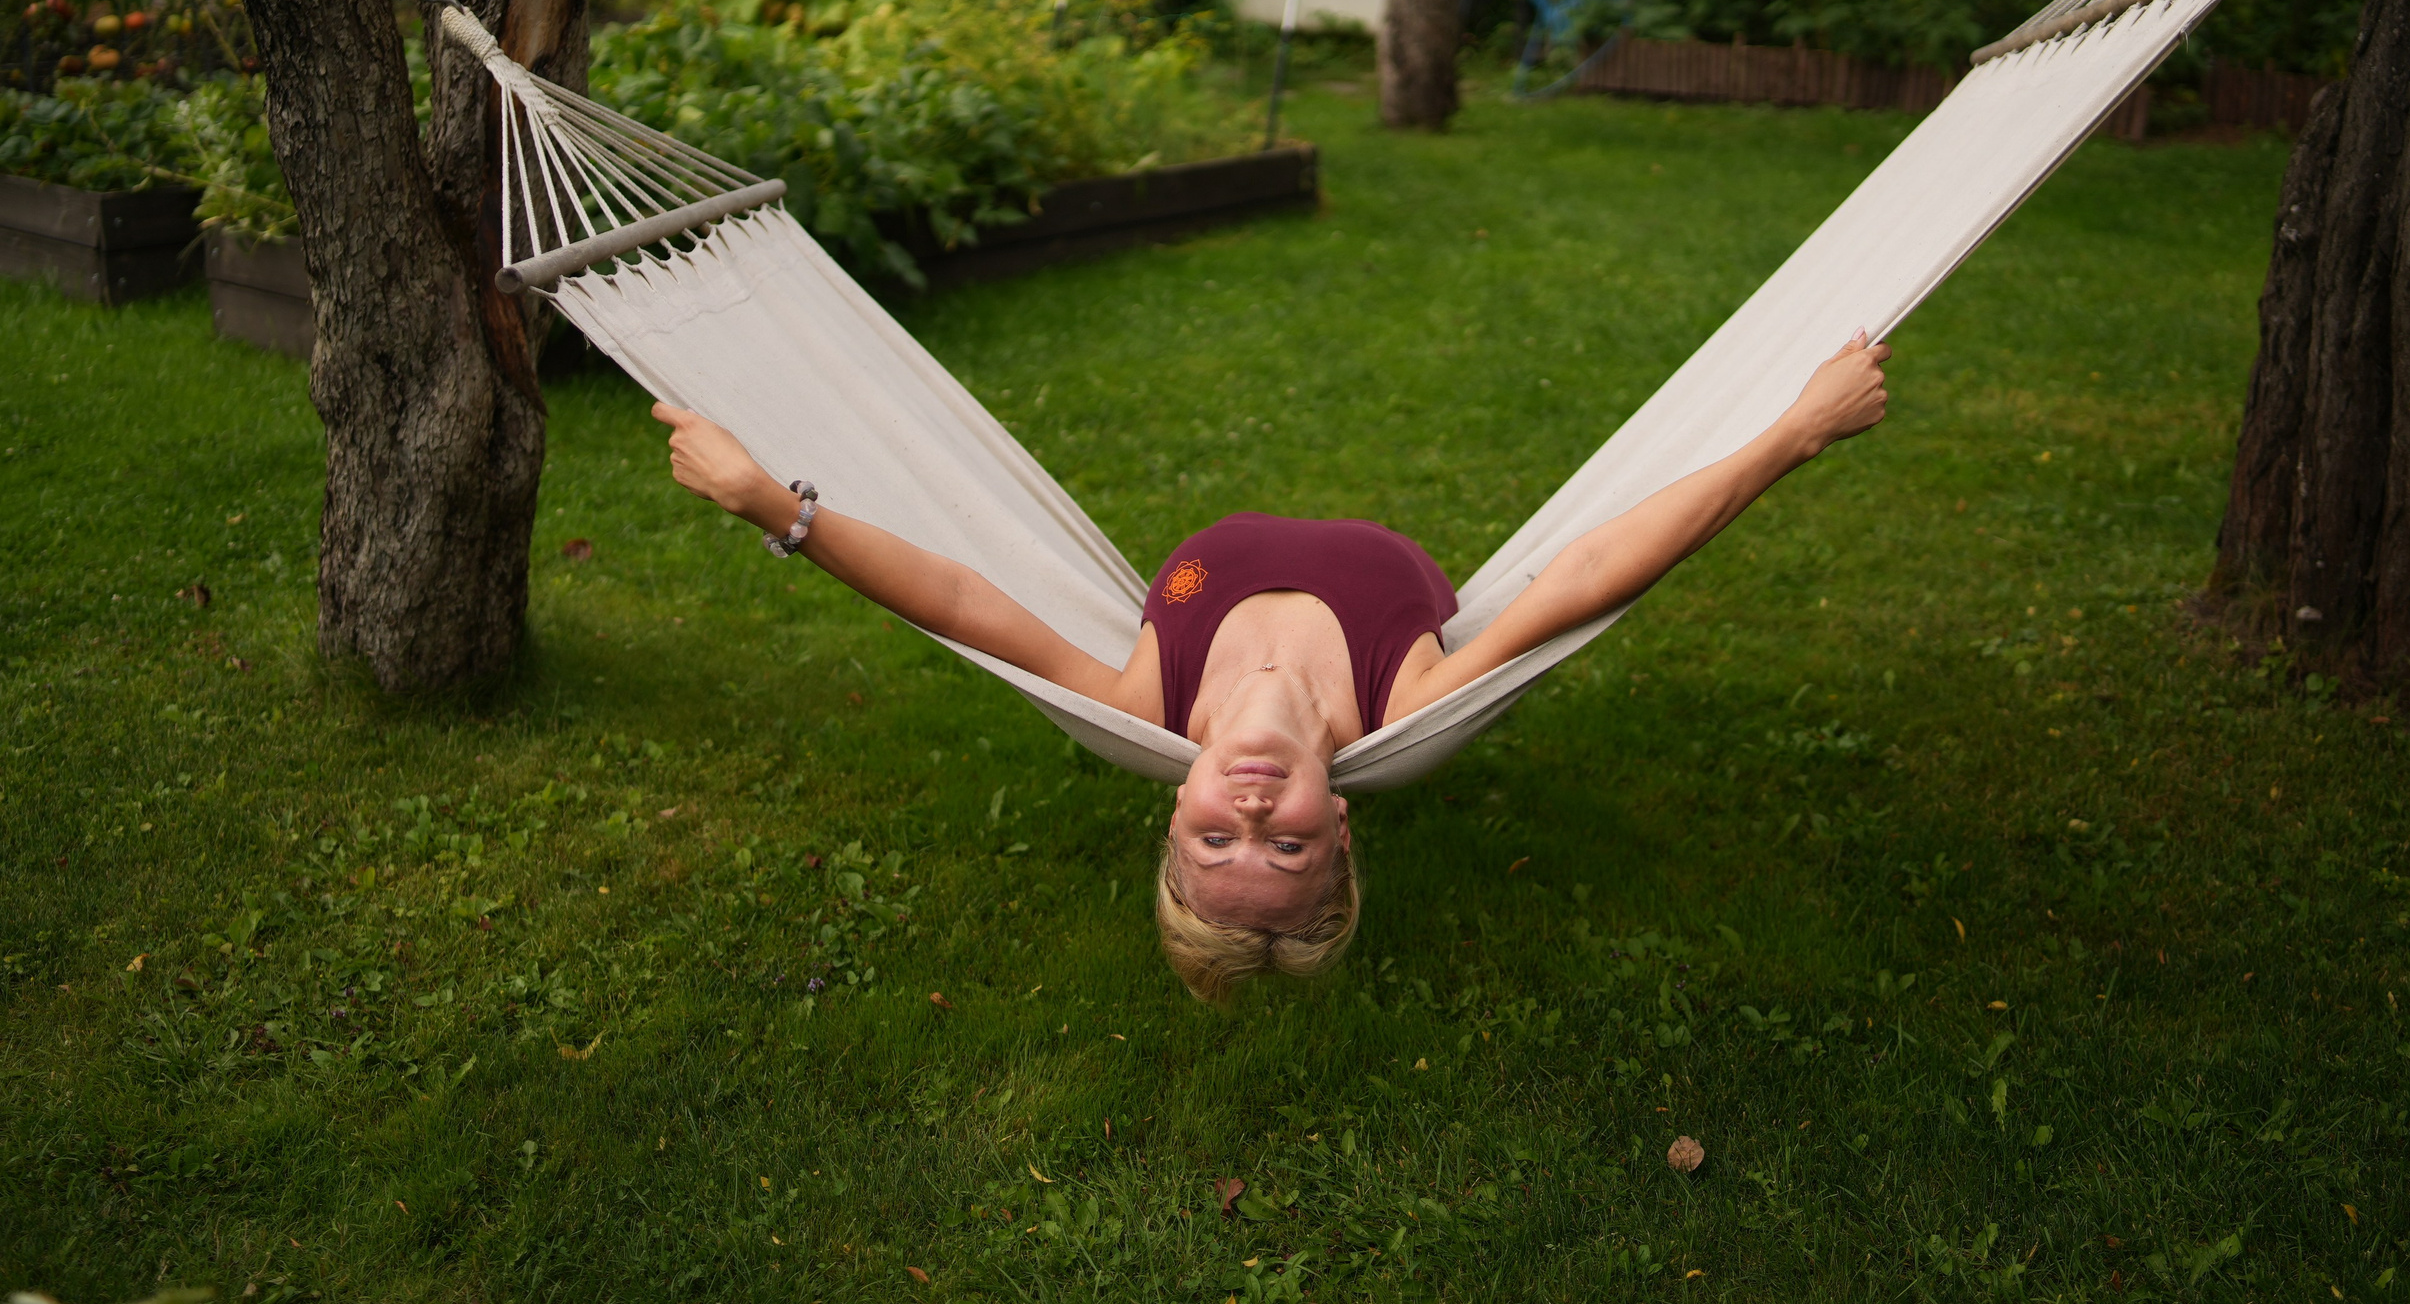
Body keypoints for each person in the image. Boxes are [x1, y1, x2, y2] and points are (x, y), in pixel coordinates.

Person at [652, 332, 1892, 1001]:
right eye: (1285, 848)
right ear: (1341, 826)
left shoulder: (1150, 708)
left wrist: (774, 505)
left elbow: (970, 602)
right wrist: (1792, 432)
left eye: (1214, 845)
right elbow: (1589, 574)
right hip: (1379, 599)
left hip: (1201, 585)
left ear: (1175, 810)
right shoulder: (1403, 709)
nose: (1250, 816)